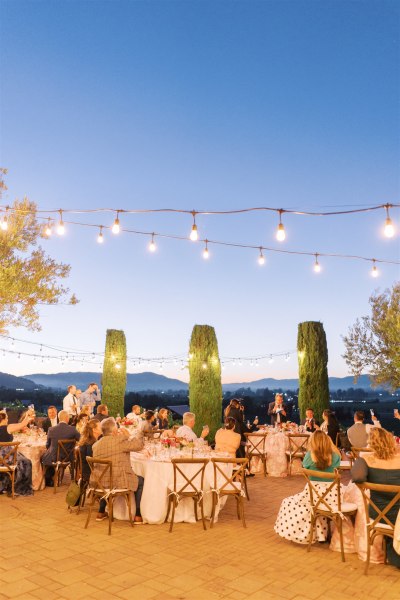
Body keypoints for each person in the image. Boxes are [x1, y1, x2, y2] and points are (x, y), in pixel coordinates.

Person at [274, 430, 341, 544]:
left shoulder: (310, 456)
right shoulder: (335, 456)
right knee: (314, 508)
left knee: (288, 502)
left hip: (313, 496)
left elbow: (304, 468)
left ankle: (302, 533)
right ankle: (321, 535)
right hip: (333, 498)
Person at [351, 427, 400, 568]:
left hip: (377, 513)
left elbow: (358, 477)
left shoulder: (366, 459)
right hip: (398, 515)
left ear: (371, 444)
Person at [92, 417, 145, 523]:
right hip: (118, 481)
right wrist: (129, 435)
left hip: (99, 482)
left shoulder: (95, 445)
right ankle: (138, 515)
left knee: (104, 477)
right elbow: (139, 445)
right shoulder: (119, 441)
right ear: (114, 430)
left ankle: (101, 511)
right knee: (141, 481)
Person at [41, 410, 80, 487]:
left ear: (59, 418)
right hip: (68, 457)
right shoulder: (72, 429)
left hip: (54, 457)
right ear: (67, 418)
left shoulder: (51, 429)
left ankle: (47, 479)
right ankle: (72, 479)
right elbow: (81, 439)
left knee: (42, 457)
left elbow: (47, 445)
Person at [0, 409, 34, 496]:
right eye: (7, 417)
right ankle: (18, 488)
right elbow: (22, 424)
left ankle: (6, 485)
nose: (8, 419)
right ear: (4, 419)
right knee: (27, 462)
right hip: (6, 458)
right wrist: (27, 415)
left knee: (21, 459)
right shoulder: (8, 427)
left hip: (1, 458)